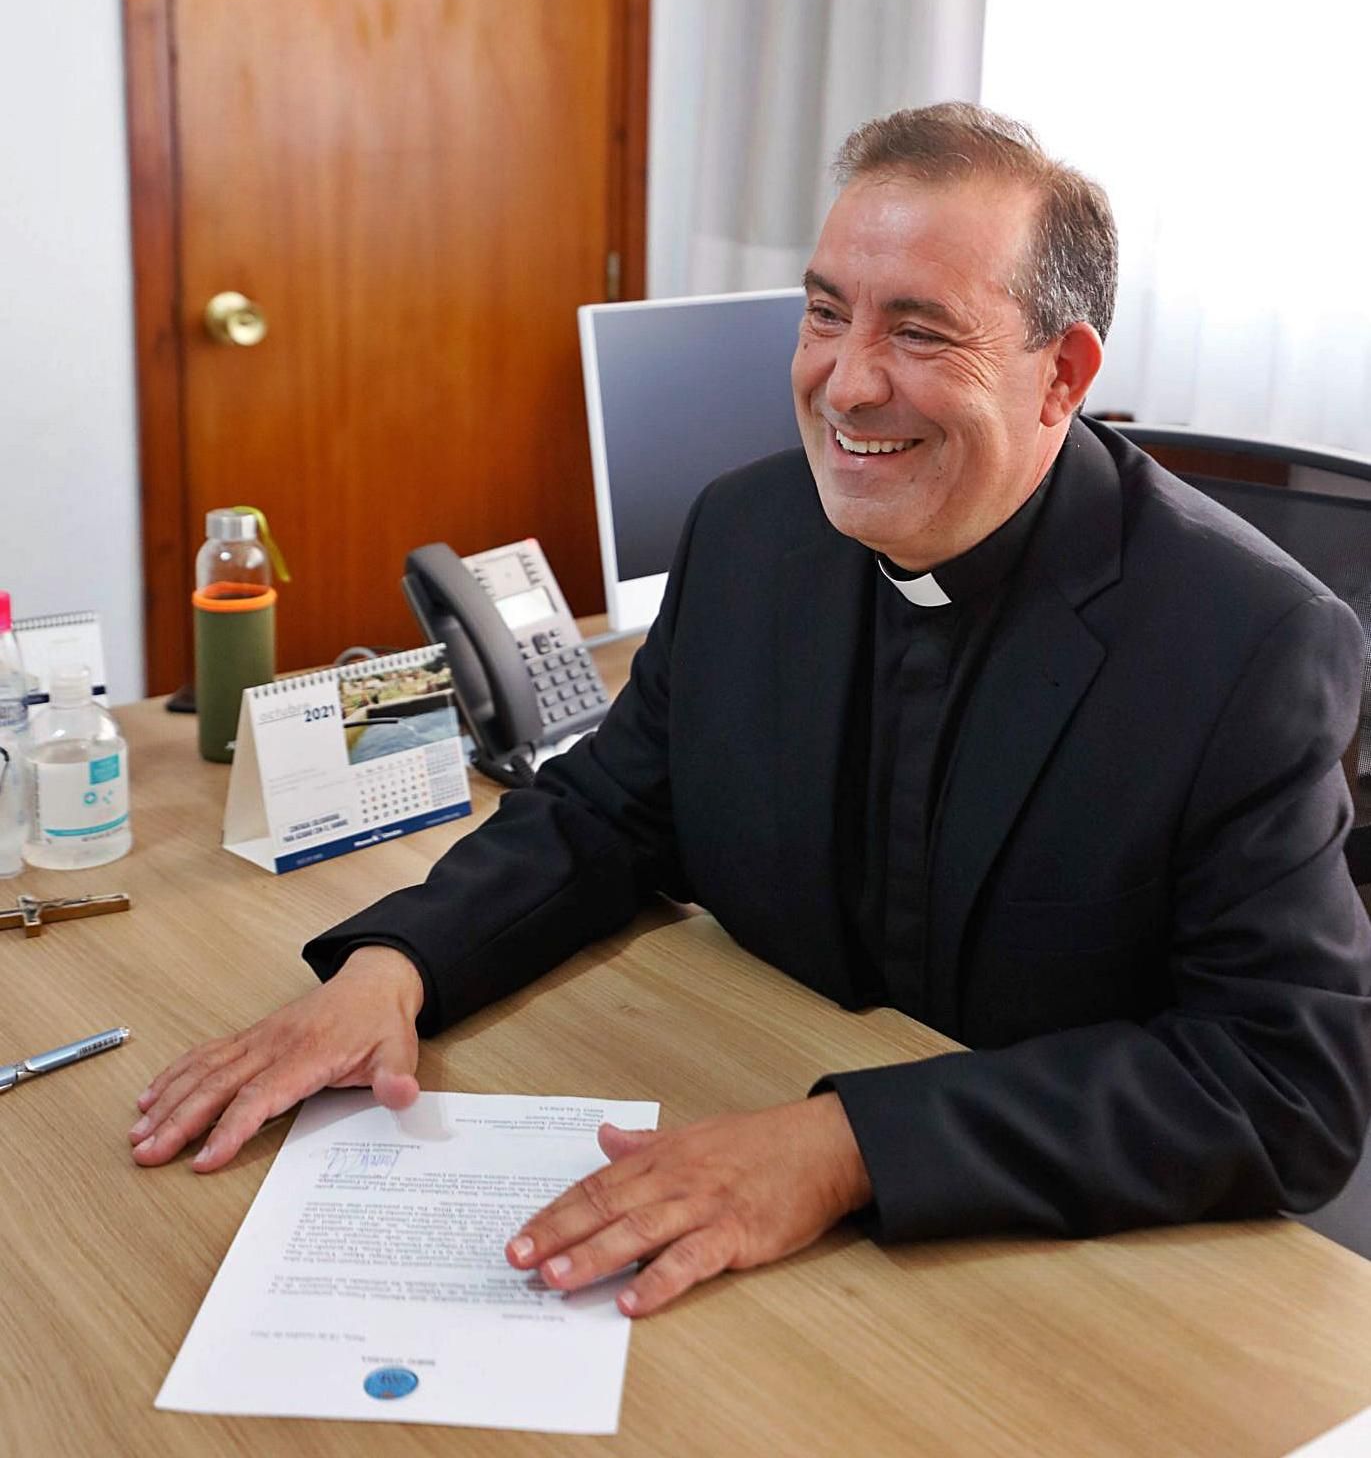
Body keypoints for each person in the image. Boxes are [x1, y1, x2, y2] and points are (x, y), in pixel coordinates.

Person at [130, 103, 1371, 1319]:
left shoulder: (1247, 643)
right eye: (827, 313)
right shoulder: (748, 530)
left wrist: (842, 1150)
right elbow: (607, 814)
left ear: (1066, 375)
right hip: (745, 1206)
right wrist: (393, 968)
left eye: (923, 333)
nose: (846, 383)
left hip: (1036, 1282)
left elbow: (1285, 1085)